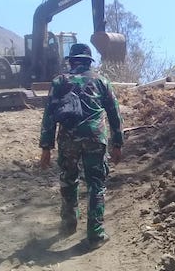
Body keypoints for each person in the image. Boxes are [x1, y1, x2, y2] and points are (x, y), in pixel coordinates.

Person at [39, 43, 124, 250]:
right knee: (96, 183)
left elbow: (49, 116)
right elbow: (114, 113)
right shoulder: (102, 81)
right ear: (89, 61)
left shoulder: (59, 82)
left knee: (68, 179)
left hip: (68, 139)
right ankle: (95, 234)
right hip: (95, 138)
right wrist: (118, 143)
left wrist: (46, 147)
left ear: (71, 61)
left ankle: (69, 224)